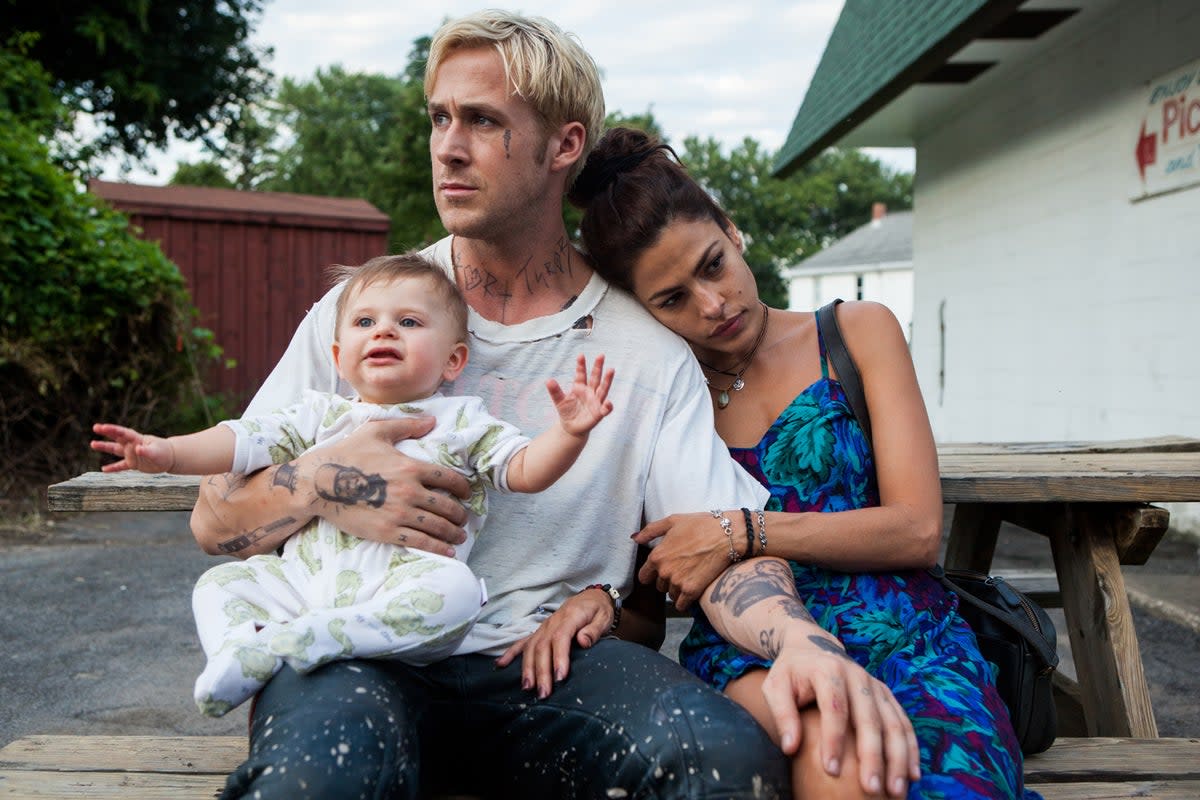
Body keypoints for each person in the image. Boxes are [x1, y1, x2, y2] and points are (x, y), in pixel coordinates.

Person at [180, 10, 907, 799]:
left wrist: (801, 642)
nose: (448, 146)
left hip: (548, 665)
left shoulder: (647, 355)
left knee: (722, 760)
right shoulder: (367, 311)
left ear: (564, 146)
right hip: (354, 652)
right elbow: (215, 523)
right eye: (440, 117)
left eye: (483, 121)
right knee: (311, 785)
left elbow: (721, 546)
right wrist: (329, 483)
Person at [567, 126, 1042, 798]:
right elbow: (649, 605)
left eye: (711, 266)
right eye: (672, 299)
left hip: (909, 636)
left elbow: (915, 529)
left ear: (732, 233)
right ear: (642, 312)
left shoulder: (855, 333)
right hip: (751, 653)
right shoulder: (661, 404)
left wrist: (741, 529)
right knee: (846, 762)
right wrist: (593, 605)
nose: (713, 304)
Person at [91, 252, 616, 718]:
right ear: (340, 357)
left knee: (456, 595)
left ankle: (322, 638)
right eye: (366, 321)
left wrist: (568, 434)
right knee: (221, 585)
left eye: (408, 322)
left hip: (399, 587)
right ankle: (238, 652)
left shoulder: (461, 420)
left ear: (454, 360)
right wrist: (167, 453)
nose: (384, 331)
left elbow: (523, 471)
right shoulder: (320, 417)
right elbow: (240, 441)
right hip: (301, 586)